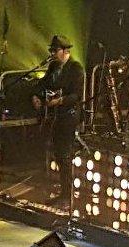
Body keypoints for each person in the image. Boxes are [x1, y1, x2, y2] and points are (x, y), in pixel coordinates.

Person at [31, 35, 84, 206]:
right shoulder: (53, 66)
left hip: (69, 115)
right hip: (56, 116)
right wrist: (36, 96)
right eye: (51, 50)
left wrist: (59, 101)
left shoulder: (76, 68)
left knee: (65, 154)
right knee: (58, 154)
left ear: (65, 51)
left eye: (55, 50)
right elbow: (42, 84)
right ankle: (62, 193)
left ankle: (67, 195)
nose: (52, 53)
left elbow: (76, 95)